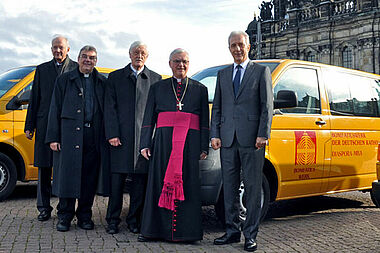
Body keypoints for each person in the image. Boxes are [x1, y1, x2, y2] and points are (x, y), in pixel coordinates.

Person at [210, 31, 273, 252]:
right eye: (233, 45)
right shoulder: (223, 74)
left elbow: (266, 106)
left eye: (240, 45)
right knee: (229, 187)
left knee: (253, 189)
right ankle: (231, 231)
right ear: (229, 48)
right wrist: (214, 134)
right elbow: (217, 107)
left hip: (252, 140)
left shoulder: (261, 71)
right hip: (227, 139)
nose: (237, 49)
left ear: (249, 46)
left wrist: (263, 134)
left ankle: (250, 235)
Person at [138, 48, 209, 242]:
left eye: (184, 61)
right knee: (159, 182)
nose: (181, 65)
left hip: (190, 144)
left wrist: (204, 146)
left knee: (188, 184)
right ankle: (154, 231)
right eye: (177, 61)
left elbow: (204, 120)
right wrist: (145, 143)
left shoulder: (200, 89)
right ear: (170, 64)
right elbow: (148, 118)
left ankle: (187, 233)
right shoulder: (157, 87)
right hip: (163, 144)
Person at [45, 45, 107, 232]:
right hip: (69, 136)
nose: (88, 60)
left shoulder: (102, 82)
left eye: (92, 58)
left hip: (92, 136)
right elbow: (54, 108)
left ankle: (84, 216)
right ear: (78, 58)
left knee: (89, 179)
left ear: (96, 61)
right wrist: (53, 137)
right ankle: (64, 216)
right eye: (85, 57)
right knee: (68, 177)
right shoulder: (64, 80)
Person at [104, 41, 162, 235]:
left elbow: (157, 112)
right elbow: (109, 109)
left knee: (139, 185)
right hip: (120, 140)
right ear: (129, 54)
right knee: (116, 184)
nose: (139, 55)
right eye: (136, 52)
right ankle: (112, 220)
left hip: (143, 141)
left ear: (147, 56)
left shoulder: (155, 79)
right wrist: (112, 133)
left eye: (143, 53)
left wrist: (152, 138)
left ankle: (134, 220)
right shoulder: (115, 77)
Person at [24, 35, 77, 222]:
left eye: (61, 47)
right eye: (55, 47)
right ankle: (44, 207)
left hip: (68, 128)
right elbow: (34, 99)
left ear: (68, 49)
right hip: (45, 126)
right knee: (44, 169)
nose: (58, 50)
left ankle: (65, 207)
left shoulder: (76, 68)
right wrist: (29, 125)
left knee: (65, 169)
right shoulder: (42, 70)